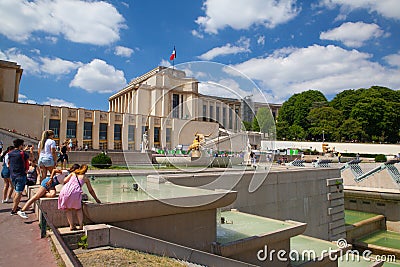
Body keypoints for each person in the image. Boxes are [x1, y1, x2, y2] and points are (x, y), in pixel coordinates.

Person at [58, 164, 101, 230]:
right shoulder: (85, 178)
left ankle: (71, 226)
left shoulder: (73, 173)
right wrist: (96, 199)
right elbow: (91, 190)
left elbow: (65, 180)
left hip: (65, 191)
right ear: (86, 171)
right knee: (78, 209)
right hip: (75, 193)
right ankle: (81, 225)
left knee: (67, 209)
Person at [8, 138, 33, 218]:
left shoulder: (10, 153)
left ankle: (15, 206)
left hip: (13, 175)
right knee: (19, 192)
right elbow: (31, 159)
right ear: (20, 145)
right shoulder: (22, 154)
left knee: (16, 190)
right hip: (21, 175)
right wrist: (31, 151)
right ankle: (13, 209)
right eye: (23, 145)